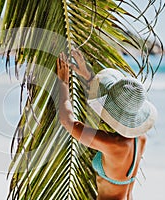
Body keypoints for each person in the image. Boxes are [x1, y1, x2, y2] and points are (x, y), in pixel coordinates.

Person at [56, 50, 157, 200]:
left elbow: (67, 121)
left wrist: (63, 83)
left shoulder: (112, 143)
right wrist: (88, 75)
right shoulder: (140, 138)